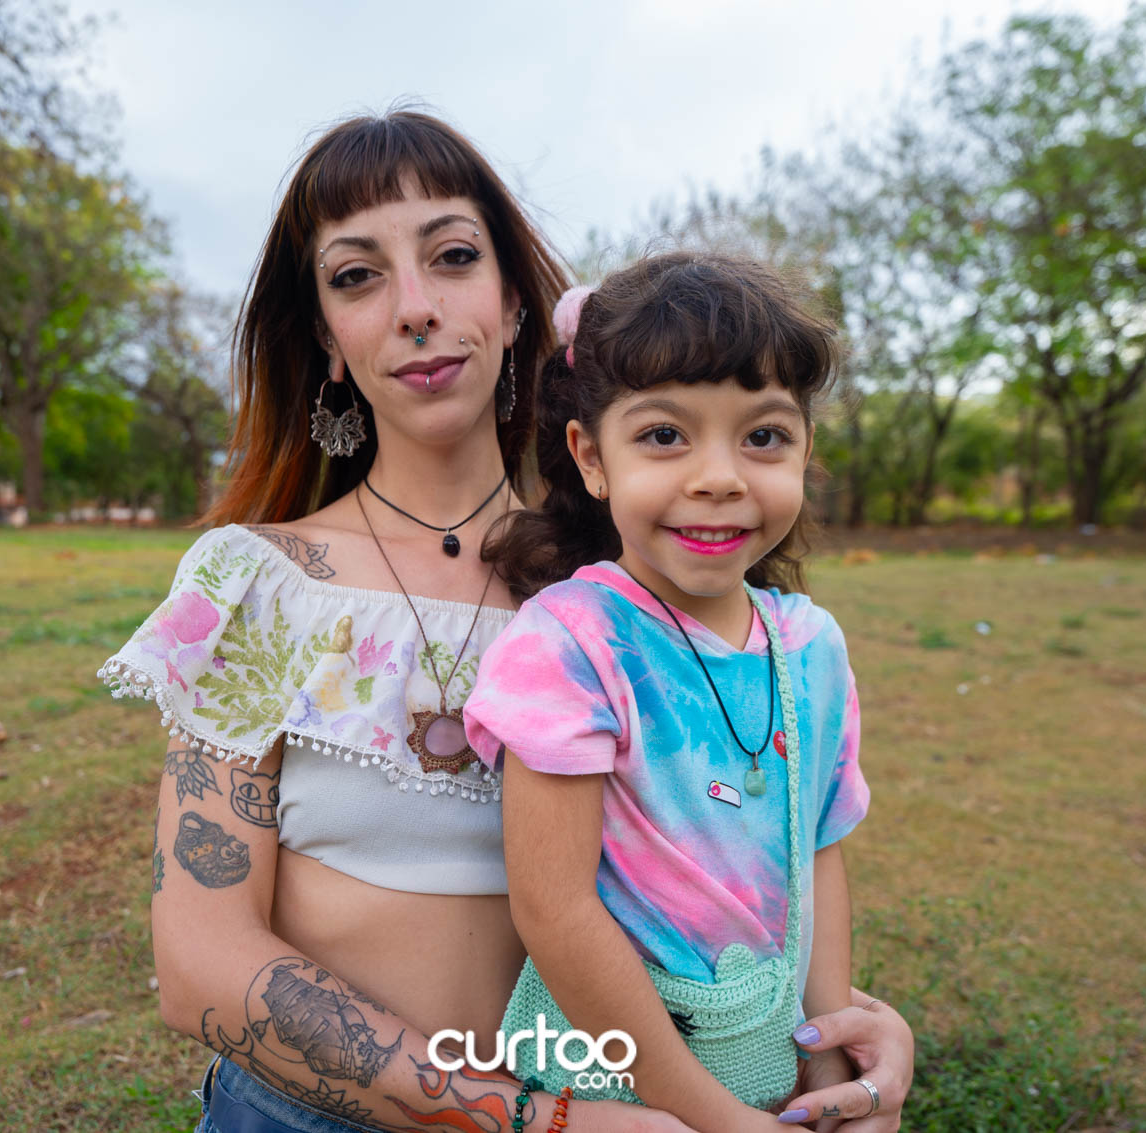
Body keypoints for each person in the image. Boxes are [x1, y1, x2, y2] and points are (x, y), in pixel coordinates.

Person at [98, 111, 912, 1133]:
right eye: (357, 276)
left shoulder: (635, 587)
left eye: (452, 257)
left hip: (633, 1101)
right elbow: (200, 964)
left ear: (515, 300)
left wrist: (848, 1036)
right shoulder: (260, 588)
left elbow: (746, 859)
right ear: (327, 339)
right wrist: (528, 1119)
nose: (415, 308)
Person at [462, 254, 870, 1132]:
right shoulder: (569, 644)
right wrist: (711, 1116)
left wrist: (830, 1052)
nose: (720, 476)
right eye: (663, 435)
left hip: (773, 1067)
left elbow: (819, 848)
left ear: (806, 449)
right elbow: (554, 909)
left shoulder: (812, 647)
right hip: (618, 1094)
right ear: (592, 458)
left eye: (764, 436)